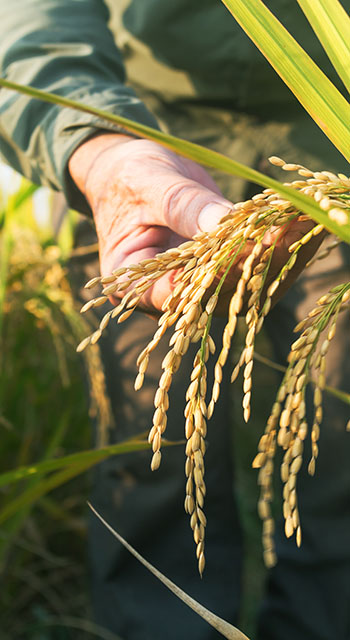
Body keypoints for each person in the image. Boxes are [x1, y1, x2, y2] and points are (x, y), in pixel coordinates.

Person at [0, 1, 349, 638]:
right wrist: (98, 149)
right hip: (143, 138)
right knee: (151, 451)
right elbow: (35, 21)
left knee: (337, 454)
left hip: (332, 142)